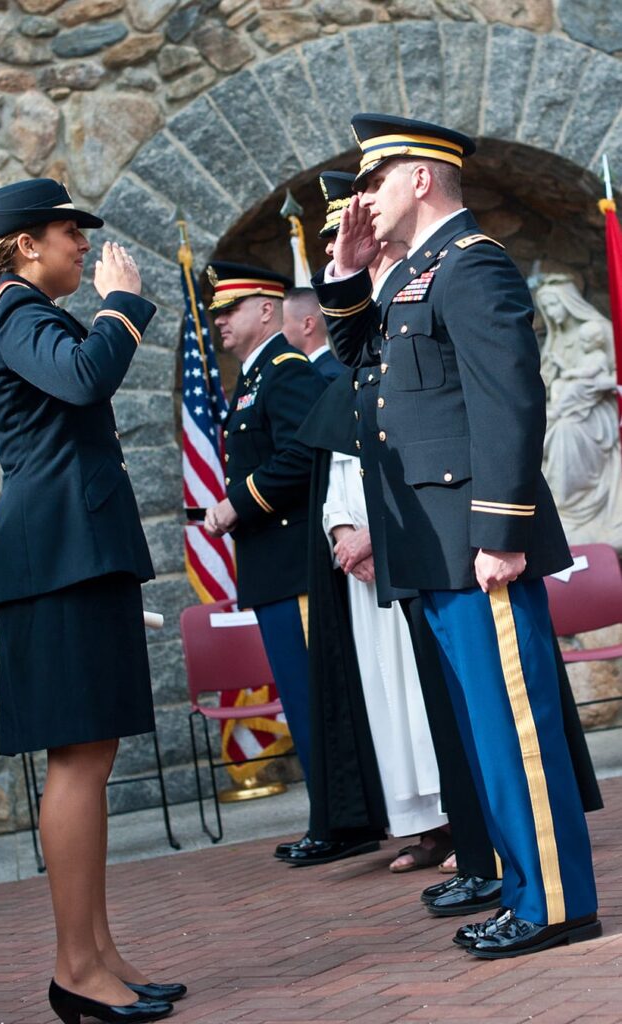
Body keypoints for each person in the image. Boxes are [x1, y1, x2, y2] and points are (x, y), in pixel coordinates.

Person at [313, 114, 601, 958]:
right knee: (486, 732)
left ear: (422, 180)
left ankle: (555, 902)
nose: (364, 199)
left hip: (477, 544)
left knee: (516, 726)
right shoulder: (415, 277)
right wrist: (344, 274)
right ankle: (524, 888)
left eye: (375, 179)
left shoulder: (472, 267)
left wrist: (503, 532)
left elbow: (511, 402)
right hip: (433, 544)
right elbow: (363, 364)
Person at [0, 178, 179, 1024]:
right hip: (54, 559)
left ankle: (98, 956)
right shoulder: (18, 315)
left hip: (72, 555)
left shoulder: (28, 311)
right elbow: (88, 379)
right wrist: (121, 306)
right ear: (26, 244)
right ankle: (75, 968)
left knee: (91, 758)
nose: (84, 246)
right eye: (68, 232)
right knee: (77, 762)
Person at [202, 262, 375, 866]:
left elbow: (308, 452)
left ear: (268, 310)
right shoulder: (253, 380)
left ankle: (342, 819)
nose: (220, 319)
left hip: (294, 562)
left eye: (231, 308)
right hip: (272, 567)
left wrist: (236, 503)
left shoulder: (285, 371)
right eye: (218, 311)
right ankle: (331, 814)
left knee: (314, 696)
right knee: (302, 698)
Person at [282, 286, 344, 380]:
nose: (277, 331)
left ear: (308, 325)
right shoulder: (307, 370)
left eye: (282, 323)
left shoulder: (329, 377)